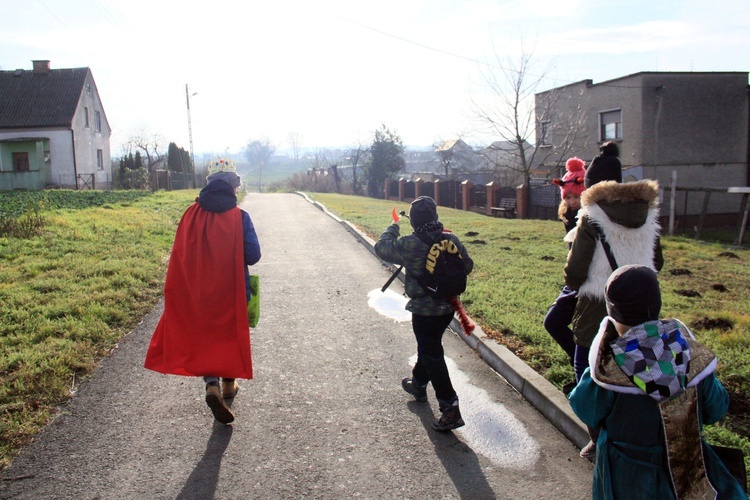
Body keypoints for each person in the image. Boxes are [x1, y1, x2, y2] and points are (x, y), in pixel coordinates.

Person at [569, 265, 746, 499]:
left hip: (626, 478)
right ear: (657, 304)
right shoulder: (689, 357)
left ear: (612, 310)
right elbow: (716, 408)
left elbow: (585, 408)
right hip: (687, 471)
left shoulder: (609, 369)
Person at [564, 141, 664, 459]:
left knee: (587, 369)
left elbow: (575, 272)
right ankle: (639, 432)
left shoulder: (592, 217)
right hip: (643, 302)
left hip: (598, 304)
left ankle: (599, 440)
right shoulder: (648, 213)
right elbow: (657, 262)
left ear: (592, 185)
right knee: (640, 367)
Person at [144, 159, 261, 425]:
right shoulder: (239, 218)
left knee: (207, 338)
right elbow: (253, 256)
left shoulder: (189, 214)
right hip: (232, 292)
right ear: (233, 186)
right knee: (229, 335)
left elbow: (180, 255)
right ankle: (229, 384)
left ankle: (212, 384)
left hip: (197, 292)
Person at [374, 196, 474, 432]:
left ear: (414, 221)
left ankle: (450, 408)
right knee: (429, 349)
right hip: (447, 308)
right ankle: (418, 384)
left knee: (431, 352)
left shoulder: (410, 243)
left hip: (424, 311)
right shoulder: (452, 239)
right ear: (436, 217)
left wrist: (394, 225)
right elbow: (467, 266)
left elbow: (381, 248)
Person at [544, 157, 586, 392]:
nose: (571, 201)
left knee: (558, 323)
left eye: (576, 196)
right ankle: (578, 363)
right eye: (568, 197)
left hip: (585, 284)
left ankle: (582, 377)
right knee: (554, 322)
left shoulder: (588, 219)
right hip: (574, 281)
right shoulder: (570, 219)